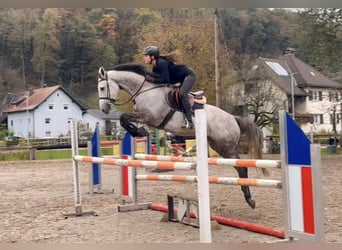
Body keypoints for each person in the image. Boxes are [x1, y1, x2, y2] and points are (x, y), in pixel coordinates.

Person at [142, 45, 196, 129]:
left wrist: (151, 80)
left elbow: (165, 79)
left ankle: (190, 120)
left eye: (146, 56)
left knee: (182, 94)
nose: (144, 58)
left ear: (152, 56)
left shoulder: (161, 63)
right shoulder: (155, 68)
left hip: (189, 76)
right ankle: (184, 117)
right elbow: (157, 78)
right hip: (180, 80)